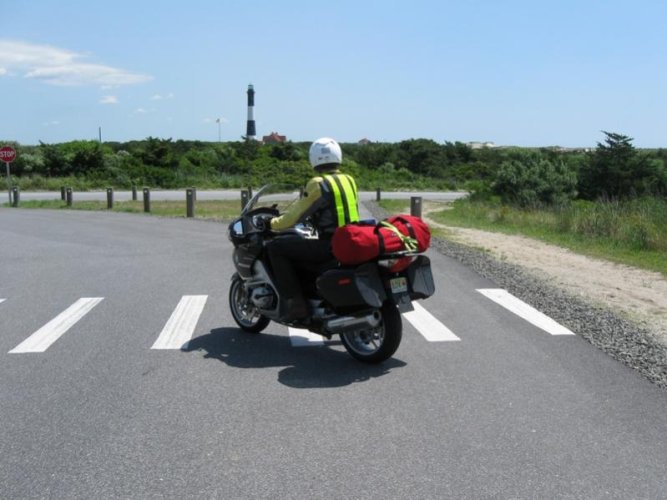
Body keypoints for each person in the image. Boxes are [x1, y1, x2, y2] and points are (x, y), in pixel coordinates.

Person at [267, 137, 359, 321]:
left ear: (314, 158)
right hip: (351, 240)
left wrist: (272, 223)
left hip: (329, 244)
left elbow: (297, 214)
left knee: (275, 248)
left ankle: (297, 304)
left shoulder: (318, 183)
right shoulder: (349, 179)